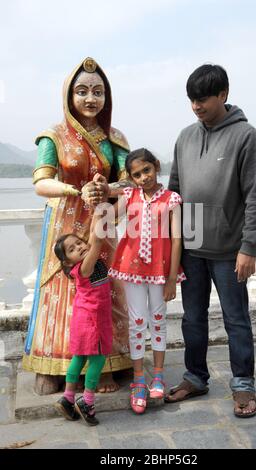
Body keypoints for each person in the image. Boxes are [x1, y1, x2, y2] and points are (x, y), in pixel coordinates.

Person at [23, 57, 132, 395]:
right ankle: (53, 365)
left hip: (101, 224)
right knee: (62, 294)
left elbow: (130, 183)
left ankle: (109, 363)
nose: (90, 99)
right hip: (66, 226)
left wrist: (108, 190)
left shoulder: (114, 138)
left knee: (104, 292)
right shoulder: (53, 136)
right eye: (82, 91)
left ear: (106, 97)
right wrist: (76, 190)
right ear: (69, 96)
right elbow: (42, 182)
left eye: (98, 92)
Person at [166, 64, 256, 418]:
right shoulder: (185, 137)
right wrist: (172, 245)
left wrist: (249, 246)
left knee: (235, 318)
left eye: (203, 99)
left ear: (223, 95)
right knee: (191, 318)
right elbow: (174, 194)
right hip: (191, 247)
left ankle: (243, 384)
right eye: (192, 100)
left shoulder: (246, 136)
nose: (196, 106)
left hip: (229, 250)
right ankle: (195, 376)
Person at [107, 148, 186, 414]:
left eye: (147, 170)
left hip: (162, 271)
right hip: (131, 269)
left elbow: (177, 240)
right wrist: (102, 192)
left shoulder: (171, 199)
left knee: (159, 319)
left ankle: (159, 375)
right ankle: (139, 378)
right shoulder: (129, 196)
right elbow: (107, 216)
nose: (143, 177)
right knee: (137, 322)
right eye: (137, 174)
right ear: (131, 178)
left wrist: (172, 278)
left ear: (156, 166)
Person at [54, 190, 112, 426]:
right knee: (97, 360)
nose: (79, 247)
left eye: (79, 243)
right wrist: (100, 207)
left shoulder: (83, 262)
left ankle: (68, 398)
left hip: (82, 318)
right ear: (68, 262)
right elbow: (96, 239)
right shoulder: (85, 268)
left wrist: (96, 209)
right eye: (72, 249)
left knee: (79, 357)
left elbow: (91, 237)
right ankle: (87, 401)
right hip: (93, 320)